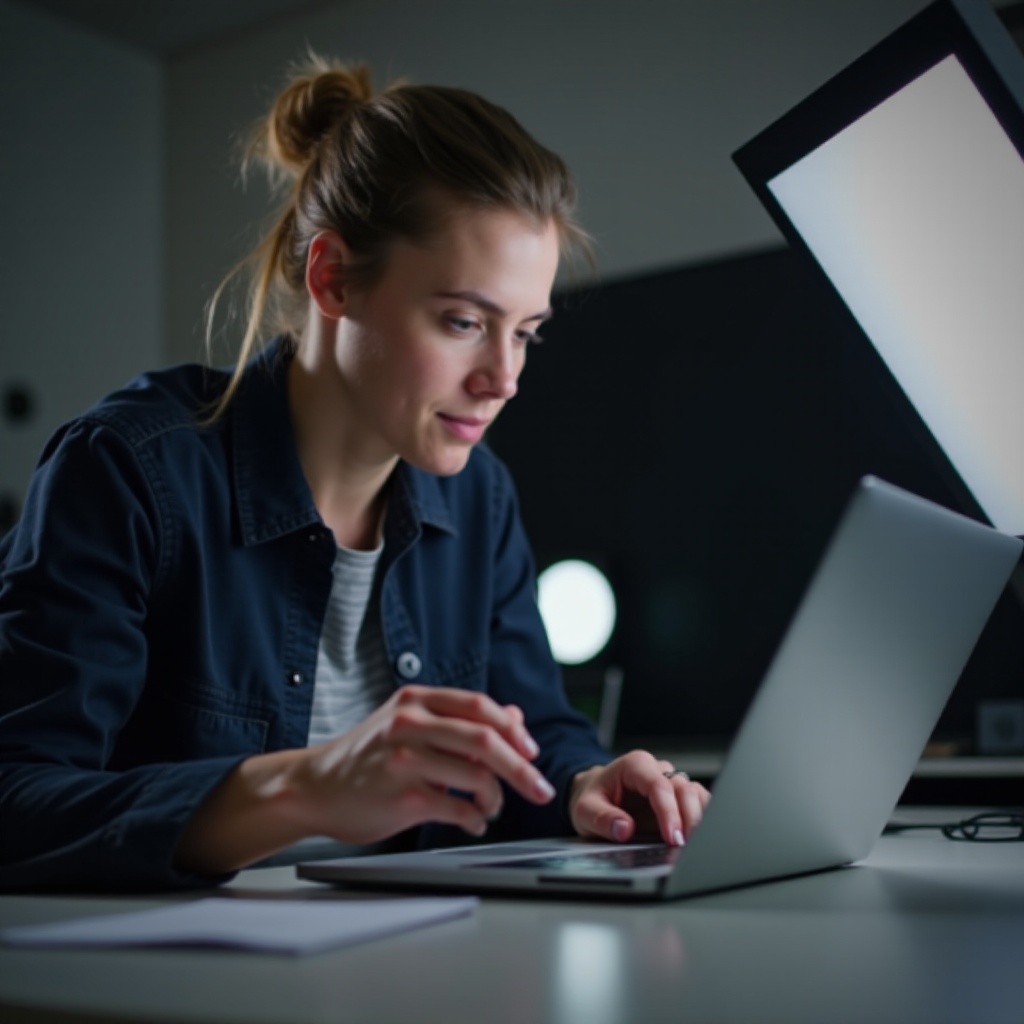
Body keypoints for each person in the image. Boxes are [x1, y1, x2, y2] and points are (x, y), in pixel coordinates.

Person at [0, 55, 709, 892]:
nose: (503, 377)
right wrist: (310, 786)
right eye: (462, 321)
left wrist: (589, 788)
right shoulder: (128, 471)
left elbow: (538, 738)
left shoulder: (480, 498)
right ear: (332, 277)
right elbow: (18, 799)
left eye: (525, 332)